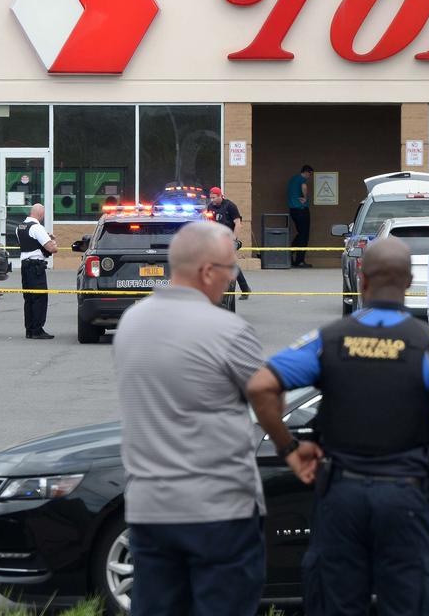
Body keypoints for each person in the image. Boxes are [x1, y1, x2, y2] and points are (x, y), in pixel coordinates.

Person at [247, 236, 429, 616]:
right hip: (405, 502)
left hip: (341, 499)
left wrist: (289, 449)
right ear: (409, 283)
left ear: (361, 278)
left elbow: (261, 386)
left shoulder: (329, 339)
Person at [114, 221, 267, 616]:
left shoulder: (131, 323)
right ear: (207, 272)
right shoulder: (228, 330)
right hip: (219, 510)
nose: (232, 278)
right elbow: (268, 397)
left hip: (149, 510)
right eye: (231, 269)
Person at [16, 203, 58, 339]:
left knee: (28, 299)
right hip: (36, 267)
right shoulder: (37, 228)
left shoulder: (20, 227)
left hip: (25, 266)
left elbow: (30, 243)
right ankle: (38, 330)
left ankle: (29, 329)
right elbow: (51, 248)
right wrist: (52, 240)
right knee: (39, 298)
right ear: (40, 214)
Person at [206, 186, 252, 300]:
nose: (212, 200)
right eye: (210, 198)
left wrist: (234, 239)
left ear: (220, 196)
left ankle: (244, 289)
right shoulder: (210, 206)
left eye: (214, 198)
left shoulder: (230, 206)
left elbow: (238, 223)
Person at [288, 164, 314, 268]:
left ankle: (290, 252)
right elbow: (304, 186)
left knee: (300, 233)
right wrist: (305, 196)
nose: (309, 177)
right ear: (307, 172)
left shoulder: (293, 179)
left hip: (293, 210)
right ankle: (300, 260)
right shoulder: (302, 180)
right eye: (310, 174)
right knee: (304, 235)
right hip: (301, 210)